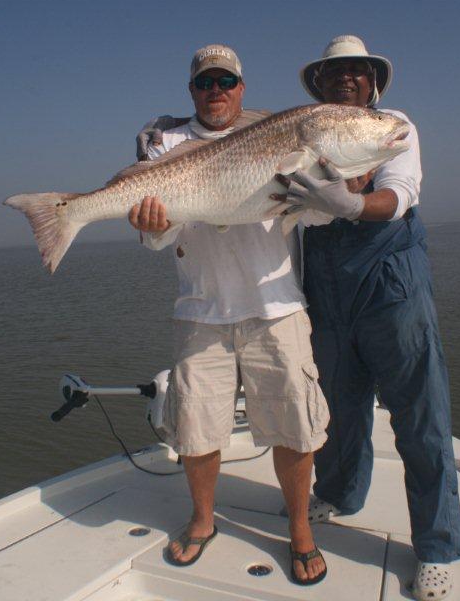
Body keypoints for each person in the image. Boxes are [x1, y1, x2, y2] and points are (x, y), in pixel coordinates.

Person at [128, 44, 330, 585]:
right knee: (196, 429)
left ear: (242, 88)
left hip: (277, 307)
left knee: (294, 428)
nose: (215, 90)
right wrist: (153, 223)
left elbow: (318, 216)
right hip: (200, 310)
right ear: (191, 91)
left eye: (225, 81)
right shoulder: (166, 145)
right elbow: (156, 240)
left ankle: (300, 530)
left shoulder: (280, 135)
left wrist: (338, 186)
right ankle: (202, 520)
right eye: (205, 82)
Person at [280, 34, 460, 601]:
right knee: (339, 404)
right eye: (334, 71)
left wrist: (355, 202)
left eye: (357, 70)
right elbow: (295, 210)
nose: (346, 77)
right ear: (319, 85)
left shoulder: (393, 126)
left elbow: (398, 194)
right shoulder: (301, 131)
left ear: (373, 82)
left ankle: (435, 547)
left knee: (420, 414)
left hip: (392, 285)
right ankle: (340, 492)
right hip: (325, 286)